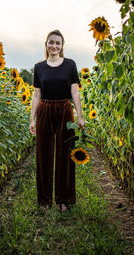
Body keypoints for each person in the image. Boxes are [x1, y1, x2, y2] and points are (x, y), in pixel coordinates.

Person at [29, 29, 85, 212]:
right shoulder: (39, 67)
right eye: (51, 42)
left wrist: (80, 115)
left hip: (64, 109)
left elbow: (74, 91)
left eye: (58, 43)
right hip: (44, 109)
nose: (54, 46)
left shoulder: (70, 65)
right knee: (43, 154)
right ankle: (44, 200)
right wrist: (32, 119)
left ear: (62, 46)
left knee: (65, 153)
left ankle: (64, 199)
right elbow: (36, 95)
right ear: (46, 44)